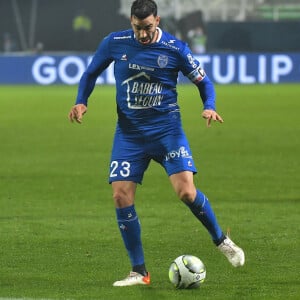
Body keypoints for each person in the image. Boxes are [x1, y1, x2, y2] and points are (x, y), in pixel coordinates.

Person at [69, 0, 245, 287]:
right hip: (129, 135)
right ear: (131, 22)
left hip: (167, 132)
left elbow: (204, 82)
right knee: (120, 196)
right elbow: (90, 73)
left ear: (158, 21)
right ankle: (140, 271)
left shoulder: (175, 48)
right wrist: (81, 101)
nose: (142, 34)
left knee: (186, 193)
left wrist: (209, 105)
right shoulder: (114, 42)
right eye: (137, 28)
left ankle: (222, 241)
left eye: (148, 27)